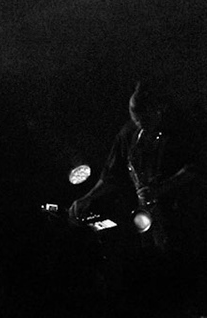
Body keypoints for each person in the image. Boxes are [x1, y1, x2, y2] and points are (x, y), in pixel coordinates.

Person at [69, 81, 199, 256]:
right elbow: (111, 174)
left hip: (177, 213)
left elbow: (194, 168)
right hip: (141, 213)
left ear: (158, 111)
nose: (140, 125)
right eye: (135, 119)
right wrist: (88, 197)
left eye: (144, 119)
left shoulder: (178, 133)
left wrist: (160, 189)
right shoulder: (128, 134)